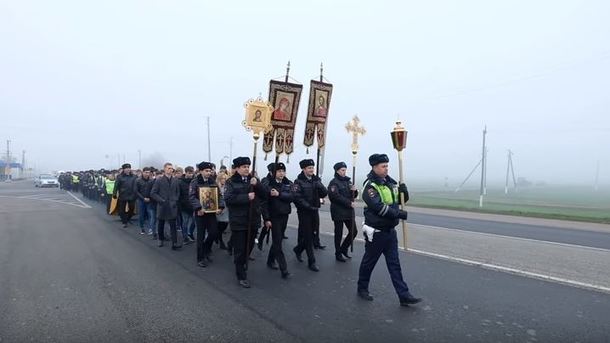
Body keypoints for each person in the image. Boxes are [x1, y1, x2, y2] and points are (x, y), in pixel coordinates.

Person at [357, 153, 422, 306]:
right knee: (369, 262)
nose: (386, 169)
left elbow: (399, 201)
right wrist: (398, 213)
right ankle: (362, 288)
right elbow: (378, 207)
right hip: (376, 232)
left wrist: (404, 192)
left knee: (394, 264)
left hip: (390, 232)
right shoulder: (370, 186)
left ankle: (403, 294)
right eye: (383, 166)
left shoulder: (390, 183)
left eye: (387, 166)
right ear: (374, 167)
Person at [224, 157, 268, 288]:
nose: (246, 169)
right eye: (243, 167)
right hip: (238, 219)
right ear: (237, 168)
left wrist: (257, 185)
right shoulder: (230, 182)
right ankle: (241, 274)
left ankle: (243, 261)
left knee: (249, 245)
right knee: (240, 248)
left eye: (248, 167)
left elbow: (265, 195)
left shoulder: (253, 180)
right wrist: (245, 197)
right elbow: (228, 199)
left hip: (253, 218)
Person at [292, 159, 327, 272]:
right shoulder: (298, 182)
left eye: (312, 167)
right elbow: (297, 198)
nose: (311, 170)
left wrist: (319, 184)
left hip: (314, 210)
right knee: (308, 236)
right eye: (309, 168)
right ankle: (312, 261)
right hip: (304, 212)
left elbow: (324, 193)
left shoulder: (315, 180)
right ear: (304, 169)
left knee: (313, 234)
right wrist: (308, 206)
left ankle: (298, 249)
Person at [263, 162, 293, 279]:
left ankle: (270, 260)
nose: (281, 173)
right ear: (274, 173)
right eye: (279, 171)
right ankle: (284, 269)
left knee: (278, 240)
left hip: (284, 215)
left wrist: (279, 194)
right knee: (278, 242)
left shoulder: (288, 183)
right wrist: (266, 218)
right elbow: (264, 203)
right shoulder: (269, 185)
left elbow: (292, 196)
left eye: (283, 171)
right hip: (274, 216)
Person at [189, 162, 220, 267]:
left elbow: (219, 195)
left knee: (214, 233)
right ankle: (200, 257)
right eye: (206, 171)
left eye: (210, 171)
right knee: (200, 235)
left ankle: (207, 249)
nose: (208, 173)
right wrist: (198, 207)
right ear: (201, 171)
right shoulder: (195, 182)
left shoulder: (213, 181)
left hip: (211, 213)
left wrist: (220, 207)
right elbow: (192, 196)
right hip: (200, 213)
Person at [328, 162, 358, 262]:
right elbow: (335, 197)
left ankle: (343, 248)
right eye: (342, 170)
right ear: (337, 171)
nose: (344, 172)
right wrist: (349, 203)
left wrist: (355, 190)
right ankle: (338, 253)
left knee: (354, 231)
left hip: (348, 211)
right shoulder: (334, 182)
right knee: (339, 233)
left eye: (345, 170)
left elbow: (353, 194)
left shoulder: (348, 181)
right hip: (338, 211)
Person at [151, 162, 181, 250]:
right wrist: (161, 200)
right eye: (168, 168)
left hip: (172, 206)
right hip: (162, 206)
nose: (170, 170)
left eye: (171, 168)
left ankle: (174, 243)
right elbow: (153, 193)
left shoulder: (175, 180)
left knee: (173, 225)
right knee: (161, 223)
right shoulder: (159, 180)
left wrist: (175, 199)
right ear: (164, 169)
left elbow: (177, 192)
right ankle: (160, 239)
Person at [113, 163, 137, 228]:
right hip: (123, 195)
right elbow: (116, 186)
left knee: (132, 208)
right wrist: (114, 194)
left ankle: (128, 218)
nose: (128, 169)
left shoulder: (134, 176)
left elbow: (137, 185)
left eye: (129, 168)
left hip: (132, 195)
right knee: (121, 210)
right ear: (123, 169)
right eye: (126, 168)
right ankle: (124, 221)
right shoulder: (119, 177)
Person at [135, 167, 156, 235]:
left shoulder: (152, 180)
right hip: (141, 200)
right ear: (142, 172)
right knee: (141, 215)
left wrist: (150, 198)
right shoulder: (138, 180)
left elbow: (153, 190)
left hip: (150, 200)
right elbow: (136, 191)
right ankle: (142, 228)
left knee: (151, 215)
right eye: (146, 172)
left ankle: (151, 228)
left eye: (148, 172)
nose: (147, 174)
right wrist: (143, 198)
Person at [179, 166, 196, 244]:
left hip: (193, 205)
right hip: (184, 206)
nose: (191, 174)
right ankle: (185, 237)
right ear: (185, 172)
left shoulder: (194, 181)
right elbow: (178, 195)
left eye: (192, 173)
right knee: (185, 222)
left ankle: (190, 233)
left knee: (194, 221)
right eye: (189, 173)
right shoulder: (180, 182)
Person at [215, 172, 230, 250]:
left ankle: (217, 237)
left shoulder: (227, 187)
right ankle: (221, 241)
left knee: (225, 225)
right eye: (222, 178)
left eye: (225, 178)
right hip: (219, 208)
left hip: (227, 208)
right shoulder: (216, 187)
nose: (224, 180)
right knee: (220, 226)